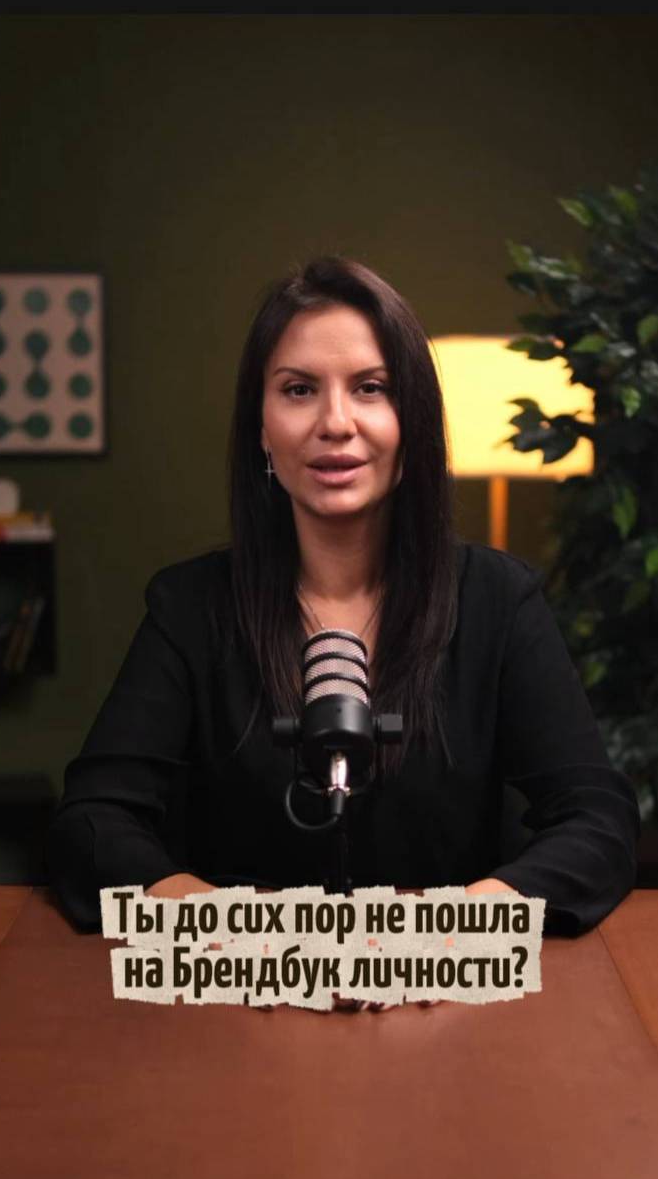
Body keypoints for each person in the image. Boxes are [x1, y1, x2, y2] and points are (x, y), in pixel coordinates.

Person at [47, 256, 639, 937]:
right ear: (261, 427)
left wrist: (455, 924)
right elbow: (91, 822)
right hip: (244, 984)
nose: (335, 422)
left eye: (370, 388)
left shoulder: (498, 600)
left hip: (440, 982)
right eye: (298, 390)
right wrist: (223, 925)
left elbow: (597, 821)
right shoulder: (190, 606)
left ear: (412, 419)